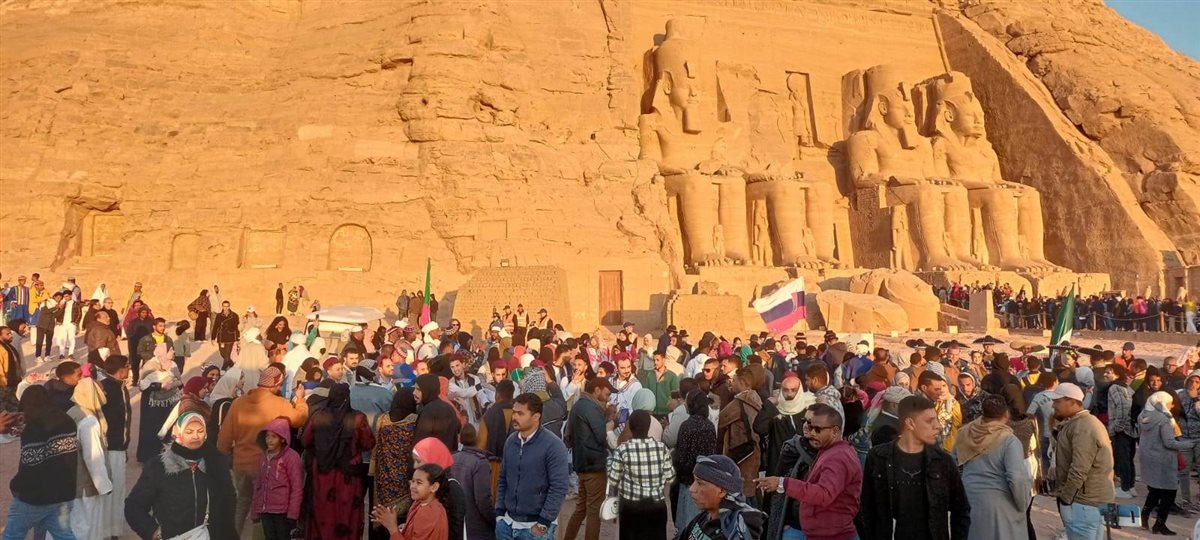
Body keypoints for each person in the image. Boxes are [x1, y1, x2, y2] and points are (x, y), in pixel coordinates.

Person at [858, 395, 970, 540]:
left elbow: (961, 510)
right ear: (910, 423)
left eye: (936, 419)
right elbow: (866, 507)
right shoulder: (878, 457)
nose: (937, 426)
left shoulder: (942, 461)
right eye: (929, 421)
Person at [216, 365, 309, 537]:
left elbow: (224, 440)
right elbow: (299, 419)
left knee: (242, 503)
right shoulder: (279, 403)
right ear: (277, 384)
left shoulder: (238, 403)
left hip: (240, 464)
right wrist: (301, 401)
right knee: (261, 507)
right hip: (265, 465)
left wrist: (224, 456)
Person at [126, 406, 237, 539]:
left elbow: (229, 502)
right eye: (189, 431)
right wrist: (153, 532)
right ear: (177, 433)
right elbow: (134, 506)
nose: (196, 436)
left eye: (200, 431)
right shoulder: (159, 467)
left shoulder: (215, 464)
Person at [754, 402, 861, 540]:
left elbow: (824, 494)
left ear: (834, 431)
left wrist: (783, 483)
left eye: (818, 429)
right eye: (809, 426)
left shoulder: (837, 457)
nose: (812, 433)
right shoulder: (829, 451)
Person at [2, 385, 79, 540]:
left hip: (34, 498)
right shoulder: (67, 420)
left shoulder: (34, 427)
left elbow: (30, 467)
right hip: (63, 494)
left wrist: (16, 487)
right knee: (64, 535)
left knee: (12, 535)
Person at [302, 382, 376, 540]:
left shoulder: (318, 416)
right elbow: (368, 443)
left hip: (322, 473)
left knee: (323, 513)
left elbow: (306, 440)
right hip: (348, 476)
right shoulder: (358, 418)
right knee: (346, 514)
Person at [954, 395, 1033, 540]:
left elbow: (954, 467)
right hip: (1000, 506)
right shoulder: (1009, 440)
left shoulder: (965, 433)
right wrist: (1022, 504)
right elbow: (1017, 478)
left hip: (969, 499)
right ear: (1006, 414)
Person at [495, 393, 570, 540]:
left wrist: (543, 522)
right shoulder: (511, 441)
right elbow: (503, 478)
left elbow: (559, 486)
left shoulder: (553, 445)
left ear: (536, 416)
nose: (514, 417)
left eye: (520, 413)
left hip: (535, 527)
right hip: (507, 524)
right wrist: (499, 513)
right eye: (514, 412)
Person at [1048, 382, 1114, 540]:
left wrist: (1066, 498)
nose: (1053, 405)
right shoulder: (1079, 423)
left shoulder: (1083, 426)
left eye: (1057, 401)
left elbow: (1080, 468)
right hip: (1088, 500)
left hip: (1084, 502)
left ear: (1071, 401)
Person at [608, 409, 676, 539]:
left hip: (630, 507)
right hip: (656, 506)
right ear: (649, 426)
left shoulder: (623, 449)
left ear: (630, 427)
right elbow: (670, 477)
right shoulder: (661, 448)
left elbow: (613, 480)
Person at [1137, 390, 1198, 535]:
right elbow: (1169, 442)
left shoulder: (1143, 415)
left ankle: (1145, 515)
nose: (1171, 406)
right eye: (1169, 403)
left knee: (1155, 490)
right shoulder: (1164, 420)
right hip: (1164, 460)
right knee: (1169, 492)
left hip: (1150, 457)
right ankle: (1159, 524)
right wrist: (1191, 444)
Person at [562, 377, 612, 540]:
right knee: (593, 511)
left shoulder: (579, 405)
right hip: (594, 466)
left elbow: (568, 437)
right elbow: (602, 436)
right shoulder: (591, 407)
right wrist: (610, 421)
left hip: (582, 464)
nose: (608, 397)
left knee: (581, 508)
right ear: (597, 390)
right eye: (607, 393)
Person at [674, 454, 765, 540]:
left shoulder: (732, 534)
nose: (692, 489)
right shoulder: (706, 516)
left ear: (722, 491)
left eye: (700, 483)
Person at [67, 377, 114, 540]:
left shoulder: (72, 412)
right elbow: (93, 457)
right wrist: (104, 486)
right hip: (86, 486)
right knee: (87, 527)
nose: (104, 393)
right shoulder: (89, 421)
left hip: (71, 481)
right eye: (101, 390)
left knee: (73, 525)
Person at [372, 388, 420, 538]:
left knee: (383, 513)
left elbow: (376, 446)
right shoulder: (415, 420)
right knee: (403, 520)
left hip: (383, 475)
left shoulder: (382, 419)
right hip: (405, 477)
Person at [672, 390, 719, 532]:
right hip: (704, 478)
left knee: (685, 522)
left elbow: (681, 456)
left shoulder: (687, 425)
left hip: (687, 480)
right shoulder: (709, 425)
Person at [97, 354, 132, 538]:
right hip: (109, 447)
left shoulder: (119, 386)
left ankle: (112, 531)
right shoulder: (106, 388)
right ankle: (106, 531)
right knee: (111, 491)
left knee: (117, 491)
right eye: (128, 366)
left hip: (118, 447)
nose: (129, 369)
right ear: (121, 369)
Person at [251, 417, 302, 540]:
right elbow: (259, 485)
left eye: (273, 437)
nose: (269, 440)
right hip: (265, 511)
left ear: (282, 438)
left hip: (282, 512)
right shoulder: (263, 457)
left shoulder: (291, 457)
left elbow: (297, 487)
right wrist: (255, 511)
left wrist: (293, 514)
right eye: (267, 436)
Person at [753, 374, 813, 479]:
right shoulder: (774, 410)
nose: (789, 394)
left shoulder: (808, 410)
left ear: (799, 390)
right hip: (777, 465)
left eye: (793, 390)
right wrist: (769, 406)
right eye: (785, 390)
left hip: (802, 466)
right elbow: (759, 428)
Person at [372, 464, 451, 540]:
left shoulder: (429, 513)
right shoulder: (420, 503)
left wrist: (392, 527)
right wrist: (406, 527)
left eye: (419, 483)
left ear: (434, 487)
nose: (412, 486)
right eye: (412, 481)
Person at [720, 367, 763, 499]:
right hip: (753, 449)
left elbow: (720, 420)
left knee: (739, 489)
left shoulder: (739, 403)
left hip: (739, 450)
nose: (731, 383)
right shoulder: (756, 398)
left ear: (742, 382)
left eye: (734, 380)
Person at [451, 425, 495, 540]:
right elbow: (483, 499)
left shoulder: (452, 459)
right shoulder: (480, 463)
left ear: (460, 438)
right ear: (477, 438)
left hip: (456, 523)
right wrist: (493, 519)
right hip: (476, 527)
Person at [136, 352, 182, 462]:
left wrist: (174, 384)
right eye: (170, 349)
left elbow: (180, 382)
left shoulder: (173, 364)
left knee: (166, 429)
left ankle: (164, 456)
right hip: (151, 405)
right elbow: (142, 385)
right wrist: (160, 385)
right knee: (151, 431)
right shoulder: (150, 366)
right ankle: (149, 458)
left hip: (168, 404)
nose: (173, 351)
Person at [1103, 364, 1137, 498]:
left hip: (1122, 430)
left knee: (1123, 459)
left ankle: (1125, 488)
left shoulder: (1115, 387)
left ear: (1116, 374)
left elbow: (1123, 407)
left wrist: (1117, 428)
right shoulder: (1125, 386)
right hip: (1130, 429)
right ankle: (1130, 486)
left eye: (1108, 372)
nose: (1105, 374)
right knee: (1128, 459)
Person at [479, 379, 515, 497]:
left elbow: (481, 445)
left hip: (494, 466)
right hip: (516, 465)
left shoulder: (489, 415)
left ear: (497, 395)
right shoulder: (520, 412)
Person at [638, 349, 681, 417]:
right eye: (654, 360)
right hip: (652, 412)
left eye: (658, 360)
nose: (655, 362)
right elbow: (646, 392)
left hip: (666, 413)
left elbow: (676, 396)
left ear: (663, 360)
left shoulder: (672, 376)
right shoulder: (649, 375)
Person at [212, 300, 240, 368]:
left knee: (227, 355)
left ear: (229, 307)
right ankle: (233, 367)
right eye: (224, 306)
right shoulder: (219, 315)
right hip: (221, 338)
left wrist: (237, 338)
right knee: (222, 354)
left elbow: (237, 328)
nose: (226, 308)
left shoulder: (234, 315)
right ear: (222, 307)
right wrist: (213, 338)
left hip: (230, 337)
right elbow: (215, 327)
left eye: (227, 306)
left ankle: (223, 370)